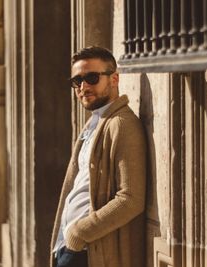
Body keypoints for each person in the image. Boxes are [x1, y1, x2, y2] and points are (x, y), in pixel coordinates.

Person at [50, 46, 146, 267]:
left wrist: (78, 233)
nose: (83, 87)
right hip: (70, 247)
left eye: (92, 78)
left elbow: (131, 199)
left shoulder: (121, 124)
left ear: (114, 79)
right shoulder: (95, 122)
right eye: (77, 81)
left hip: (89, 251)